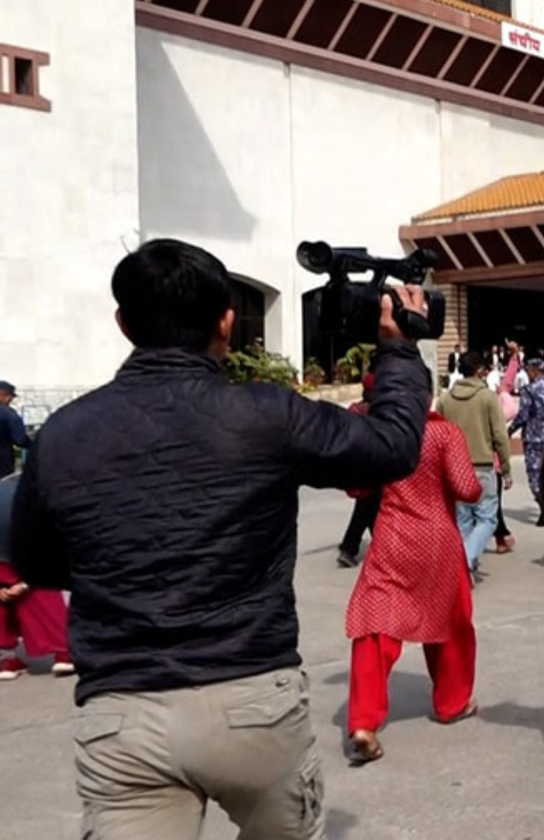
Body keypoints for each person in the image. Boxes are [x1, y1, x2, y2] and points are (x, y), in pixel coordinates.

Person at [7, 238, 432, 840]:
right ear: (227, 321)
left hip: (124, 713)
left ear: (124, 323)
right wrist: (400, 352)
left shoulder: (64, 435)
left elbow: (35, 560)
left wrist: (123, 561)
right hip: (251, 700)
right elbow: (390, 447)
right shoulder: (267, 414)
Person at [344, 406, 483, 763]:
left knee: (375, 625)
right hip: (438, 539)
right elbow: (467, 489)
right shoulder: (444, 433)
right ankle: (452, 703)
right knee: (451, 621)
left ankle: (363, 721)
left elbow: (356, 486)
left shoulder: (383, 431)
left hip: (392, 535)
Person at [439, 351, 512, 582]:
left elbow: (437, 433)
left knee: (463, 520)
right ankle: (466, 562)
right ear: (480, 370)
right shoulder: (487, 398)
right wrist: (507, 468)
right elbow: (500, 435)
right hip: (481, 465)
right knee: (487, 519)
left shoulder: (445, 398)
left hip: (454, 466)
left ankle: (463, 562)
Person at [1, 473, 73, 682]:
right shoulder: (26, 491)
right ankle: (63, 652)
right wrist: (25, 583)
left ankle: (5, 658)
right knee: (43, 595)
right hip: (25, 548)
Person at [336, 373, 382, 568]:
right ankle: (350, 547)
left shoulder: (355, 410)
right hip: (375, 464)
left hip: (358, 464)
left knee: (369, 506)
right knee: (367, 506)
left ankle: (377, 546)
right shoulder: (379, 412)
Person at [509, 355, 544, 517]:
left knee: (534, 473)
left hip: (534, 437)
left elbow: (523, 416)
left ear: (533, 371)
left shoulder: (530, 390)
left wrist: (511, 429)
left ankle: (543, 504)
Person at [0, 381, 30, 478]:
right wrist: (35, 445)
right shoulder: (9, 414)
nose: (11, 400)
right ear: (3, 395)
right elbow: (20, 440)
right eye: (10, 397)